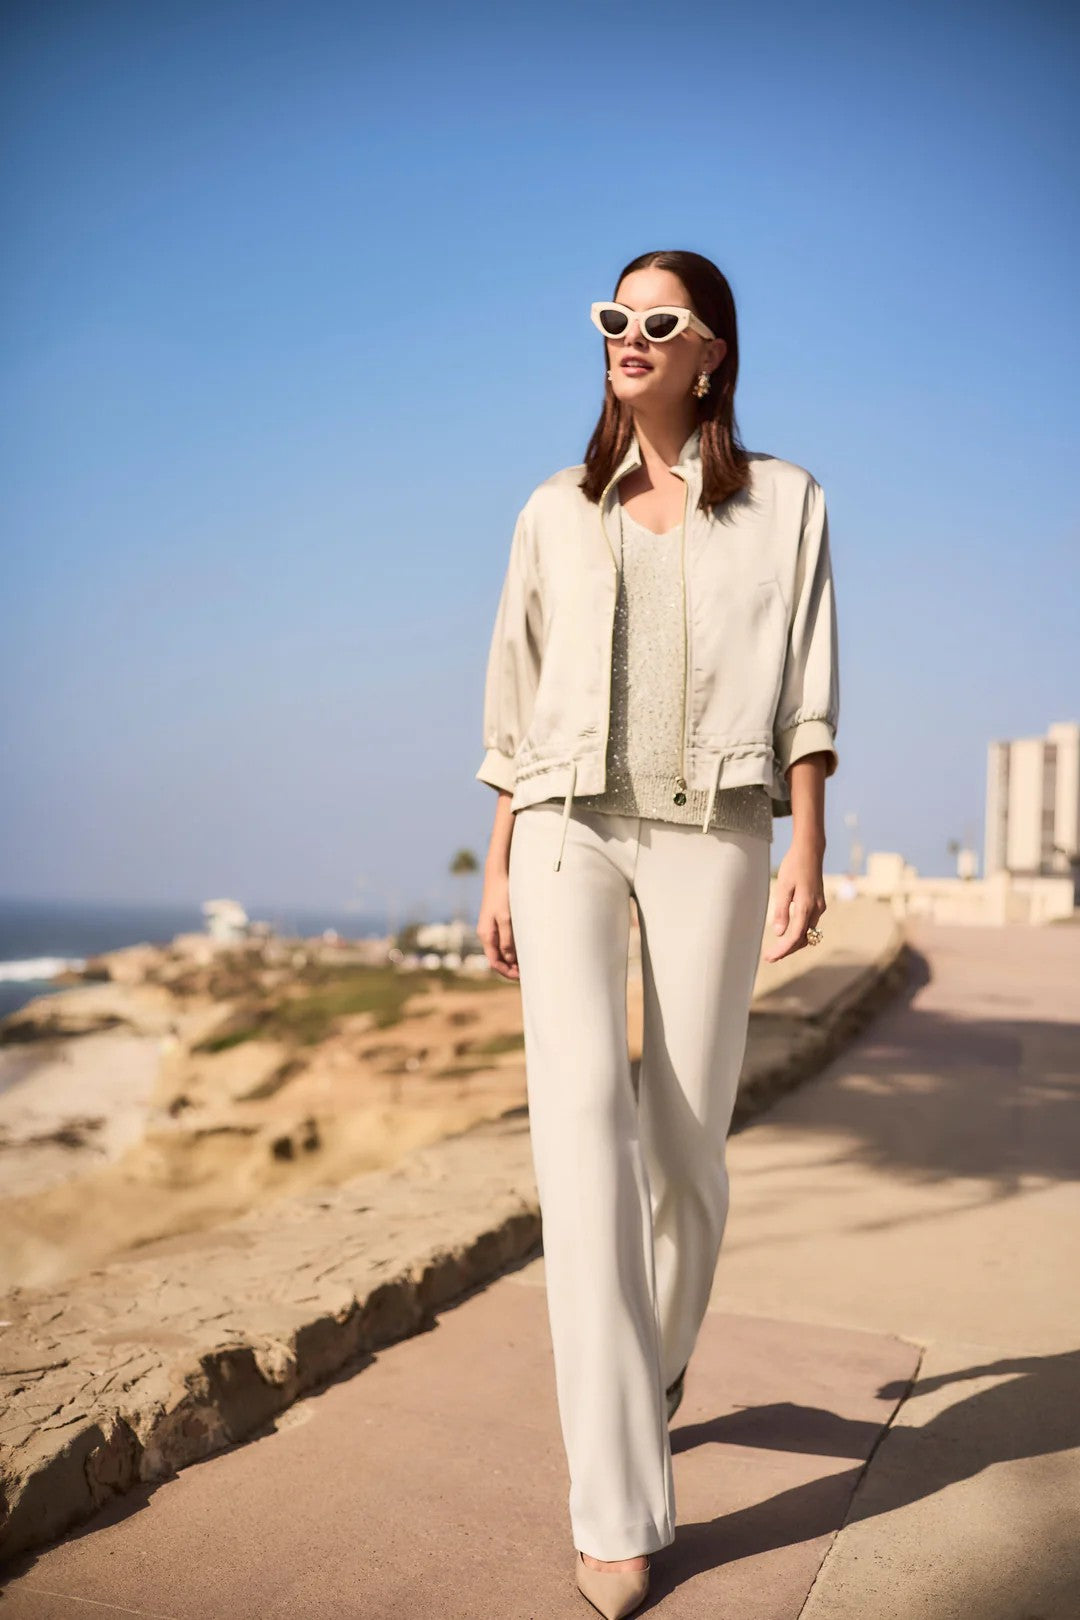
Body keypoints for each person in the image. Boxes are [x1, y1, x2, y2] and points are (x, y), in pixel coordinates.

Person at [474, 248, 840, 1620]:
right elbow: (510, 710)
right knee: (580, 1137)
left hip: (719, 832)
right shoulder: (551, 514)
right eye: (613, 318)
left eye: (659, 320)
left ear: (711, 351)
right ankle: (619, 1507)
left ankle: (661, 1360)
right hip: (566, 827)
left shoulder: (789, 506)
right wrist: (500, 863)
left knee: (686, 1148)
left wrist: (809, 843)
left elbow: (807, 687)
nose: (631, 335)